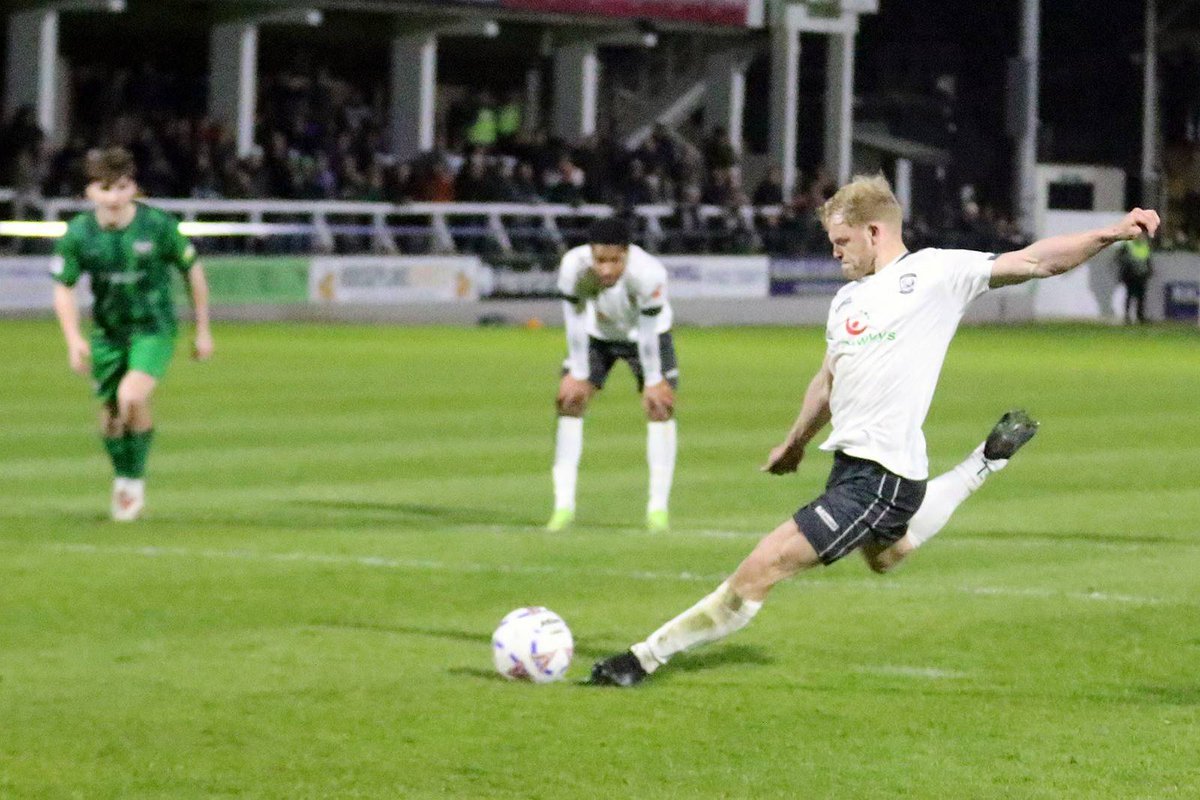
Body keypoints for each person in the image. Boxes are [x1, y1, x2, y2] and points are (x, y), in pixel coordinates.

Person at [588, 174, 1159, 686]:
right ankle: (985, 462)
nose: (835, 253)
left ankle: (642, 658)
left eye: (842, 241)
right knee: (886, 556)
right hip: (856, 468)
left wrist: (1112, 231)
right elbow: (827, 380)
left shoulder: (935, 273)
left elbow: (1036, 261)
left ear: (875, 232)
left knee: (762, 566)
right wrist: (795, 442)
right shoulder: (846, 300)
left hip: (881, 475)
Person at [51, 147, 214, 521]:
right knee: (111, 417)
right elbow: (63, 287)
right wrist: (73, 339)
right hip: (108, 334)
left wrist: (203, 329)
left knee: (131, 397)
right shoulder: (79, 234)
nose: (114, 198)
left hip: (152, 329)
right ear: (90, 191)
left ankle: (134, 483)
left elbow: (193, 272)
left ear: (134, 187)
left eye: (122, 187)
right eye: (105, 188)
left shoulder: (158, 226)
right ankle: (124, 478)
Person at [547, 217, 678, 534]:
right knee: (570, 400)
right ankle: (562, 507)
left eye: (614, 261)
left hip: (647, 336)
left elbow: (647, 331)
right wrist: (578, 372)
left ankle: (657, 510)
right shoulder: (573, 266)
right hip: (597, 335)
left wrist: (653, 379)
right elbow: (574, 318)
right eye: (599, 260)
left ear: (627, 254)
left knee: (660, 407)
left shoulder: (649, 273)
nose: (605, 270)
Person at [1116, 233, 1153, 324]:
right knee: (1130, 296)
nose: (1141, 237)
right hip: (1130, 275)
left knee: (1141, 297)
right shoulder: (1128, 245)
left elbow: (1147, 259)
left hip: (1142, 275)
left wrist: (1149, 270)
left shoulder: (1145, 245)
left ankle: (1140, 316)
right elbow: (1119, 257)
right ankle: (1127, 316)